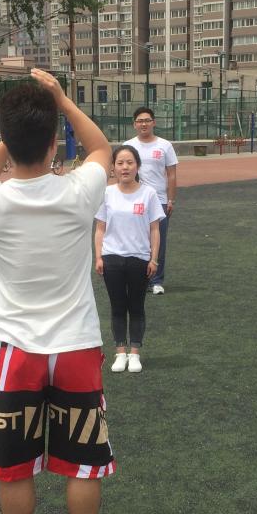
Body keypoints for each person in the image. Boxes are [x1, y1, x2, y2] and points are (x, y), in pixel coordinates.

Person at [0, 68, 116, 514]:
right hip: (75, 347)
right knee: (82, 464)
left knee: (15, 465)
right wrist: (61, 100)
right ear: (54, 143)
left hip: (17, 351)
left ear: (7, 143)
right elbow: (101, 147)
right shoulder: (79, 191)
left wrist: (12, 138)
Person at [94, 144, 164, 373]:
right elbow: (100, 228)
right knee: (117, 307)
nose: (125, 167)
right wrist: (98, 256)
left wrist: (154, 259)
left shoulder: (148, 194)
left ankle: (134, 354)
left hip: (139, 258)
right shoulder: (107, 193)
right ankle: (120, 352)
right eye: (120, 163)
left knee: (136, 306)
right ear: (113, 168)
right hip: (112, 258)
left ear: (138, 166)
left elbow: (155, 229)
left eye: (130, 162)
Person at [125, 106, 177, 294]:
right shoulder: (128, 146)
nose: (143, 124)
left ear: (154, 122)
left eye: (147, 120)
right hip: (135, 200)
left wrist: (171, 200)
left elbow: (171, 175)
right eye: (140, 121)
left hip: (159, 201)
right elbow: (123, 172)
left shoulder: (165, 145)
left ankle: (156, 281)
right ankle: (138, 280)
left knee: (158, 241)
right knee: (136, 240)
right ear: (134, 124)